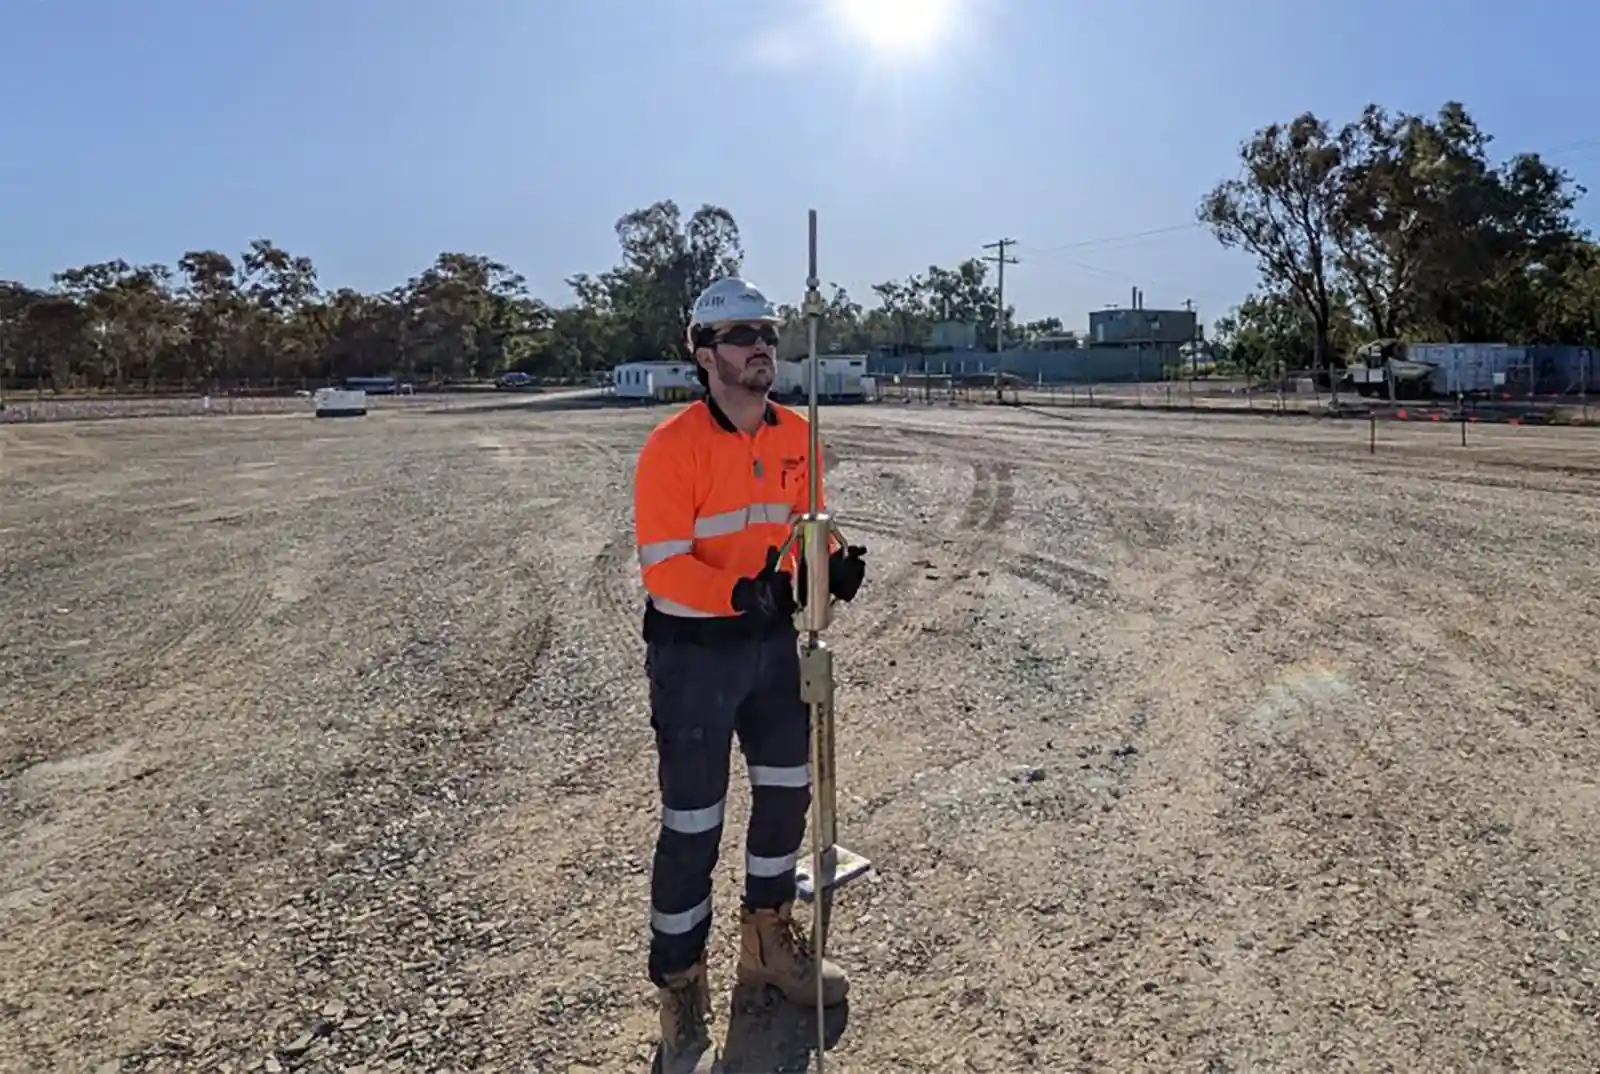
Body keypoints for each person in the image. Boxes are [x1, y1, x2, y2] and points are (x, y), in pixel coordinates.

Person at [632, 277, 868, 1073]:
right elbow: (664, 569)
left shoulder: (797, 433)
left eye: (764, 331)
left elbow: (808, 528)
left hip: (774, 651)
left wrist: (833, 564)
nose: (758, 345)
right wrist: (740, 593)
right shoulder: (671, 447)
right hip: (694, 655)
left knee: (787, 792)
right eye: (737, 334)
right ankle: (680, 984)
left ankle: (766, 940)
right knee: (693, 824)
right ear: (702, 354)